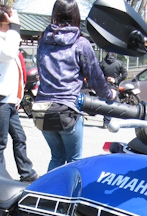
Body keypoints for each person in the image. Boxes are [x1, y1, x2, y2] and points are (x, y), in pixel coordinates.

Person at [35, 0, 115, 172]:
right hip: (66, 109)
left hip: (42, 109)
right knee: (74, 159)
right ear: (75, 15)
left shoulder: (43, 39)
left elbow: (41, 70)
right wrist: (109, 94)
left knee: (57, 157)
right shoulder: (80, 43)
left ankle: (50, 189)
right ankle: (70, 190)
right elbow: (95, 76)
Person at [0, 3, 38, 182]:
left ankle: (26, 172)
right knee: (0, 140)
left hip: (8, 99)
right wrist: (15, 27)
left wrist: (17, 97)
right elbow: (9, 53)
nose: (11, 27)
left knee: (19, 137)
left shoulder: (2, 38)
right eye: (7, 24)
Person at [99, 51, 126, 128]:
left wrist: (105, 79)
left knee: (105, 103)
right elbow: (125, 74)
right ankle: (107, 122)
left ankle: (106, 121)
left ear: (106, 53)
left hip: (104, 86)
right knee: (111, 103)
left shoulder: (102, 63)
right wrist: (116, 80)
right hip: (114, 86)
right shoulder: (119, 63)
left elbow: (97, 75)